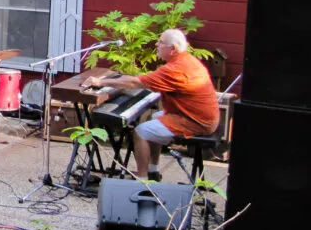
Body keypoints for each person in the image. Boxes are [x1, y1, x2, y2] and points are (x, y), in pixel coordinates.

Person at [81, 29, 220, 181]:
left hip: (196, 122)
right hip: (202, 118)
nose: (156, 44)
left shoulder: (175, 70)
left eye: (161, 42)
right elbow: (143, 80)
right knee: (153, 118)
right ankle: (153, 171)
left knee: (140, 131)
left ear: (172, 49)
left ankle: (142, 181)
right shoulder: (186, 61)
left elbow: (136, 82)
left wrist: (101, 82)